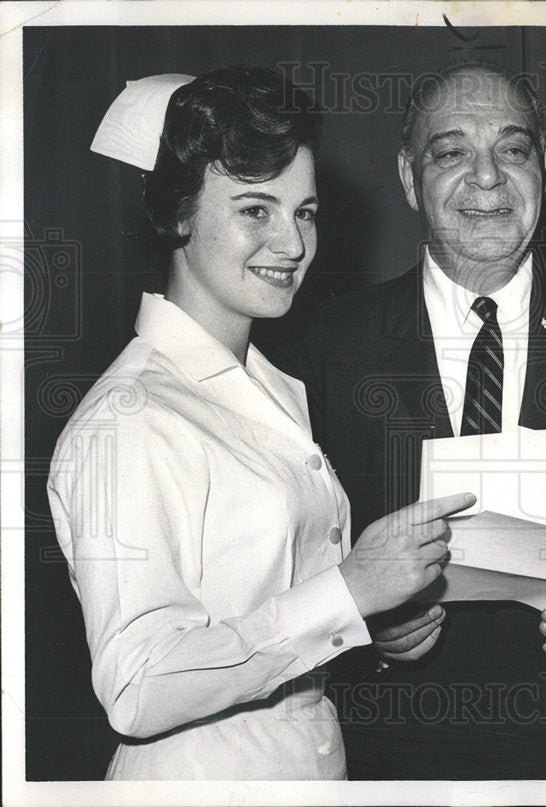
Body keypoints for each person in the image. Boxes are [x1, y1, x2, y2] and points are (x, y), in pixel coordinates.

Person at [46, 66, 471, 780]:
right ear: (178, 213)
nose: (294, 243)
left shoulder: (270, 386)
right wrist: (349, 592)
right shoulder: (132, 418)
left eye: (303, 212)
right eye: (255, 210)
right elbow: (135, 683)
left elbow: (267, 599)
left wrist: (365, 615)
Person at [271, 62, 546, 779]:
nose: (487, 179)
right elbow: (279, 556)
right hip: (387, 757)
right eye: (452, 151)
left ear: (544, 167)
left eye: (513, 149)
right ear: (408, 177)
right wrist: (357, 618)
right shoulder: (325, 343)